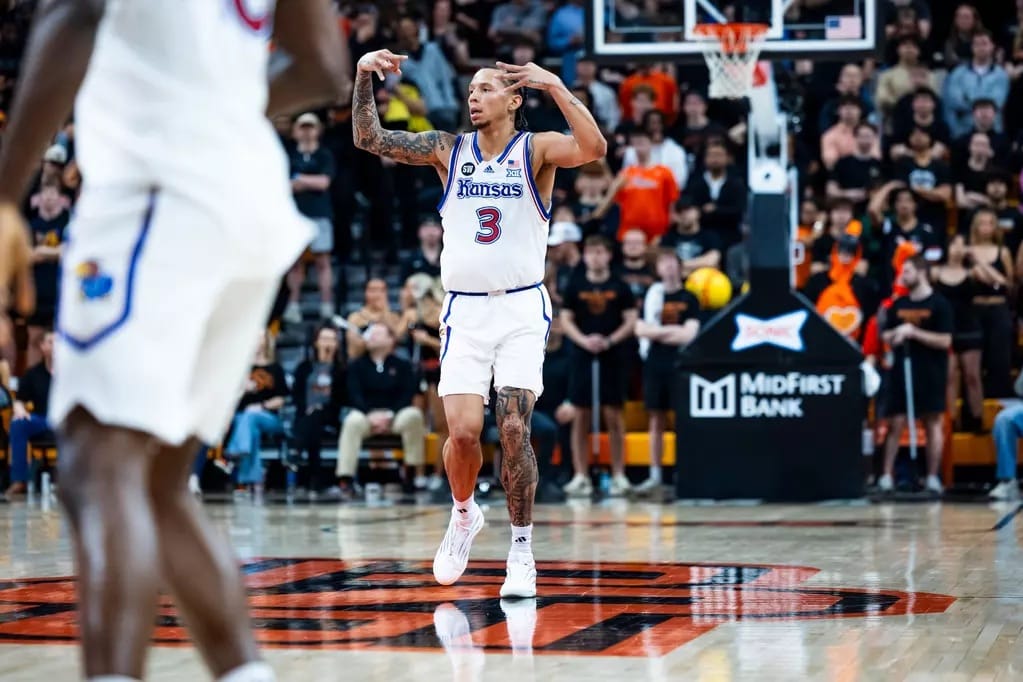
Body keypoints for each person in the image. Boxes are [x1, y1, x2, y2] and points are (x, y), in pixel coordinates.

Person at [0, 2, 350, 681]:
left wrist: (5, 197)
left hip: (161, 191)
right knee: (158, 483)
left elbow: (75, 10)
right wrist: (217, 103)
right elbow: (322, 68)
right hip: (248, 203)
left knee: (96, 464)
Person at [351, 50, 605, 598]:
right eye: (470, 89)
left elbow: (594, 148)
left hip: (518, 308)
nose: (473, 95)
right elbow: (369, 139)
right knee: (463, 433)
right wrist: (363, 76)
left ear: (515, 100)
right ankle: (464, 514)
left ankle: (521, 549)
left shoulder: (535, 150)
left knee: (514, 428)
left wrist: (556, 85)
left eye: (486, 88)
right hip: (463, 309)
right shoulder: (448, 148)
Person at [560, 235, 638, 497]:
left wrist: (609, 340)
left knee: (614, 415)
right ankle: (580, 475)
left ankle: (619, 475)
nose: (595, 256)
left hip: (612, 355)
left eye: (600, 252)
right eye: (591, 252)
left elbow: (630, 320)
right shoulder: (575, 284)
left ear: (608, 255)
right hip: (583, 355)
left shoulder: (620, 286)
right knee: (580, 415)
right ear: (584, 256)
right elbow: (566, 319)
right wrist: (584, 341)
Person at [878, 254, 953, 496]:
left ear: (921, 272)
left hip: (930, 372)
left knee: (933, 422)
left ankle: (932, 477)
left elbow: (945, 340)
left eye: (907, 271)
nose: (903, 276)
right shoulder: (898, 305)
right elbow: (885, 335)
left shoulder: (939, 304)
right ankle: (886, 475)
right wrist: (895, 334)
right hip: (902, 372)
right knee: (896, 422)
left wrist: (914, 332)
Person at [634, 250, 700, 495]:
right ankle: (655, 475)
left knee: (682, 419)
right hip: (655, 362)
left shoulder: (689, 297)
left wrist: (658, 331)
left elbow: (689, 334)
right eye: (664, 262)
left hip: (681, 363)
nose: (669, 266)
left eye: (673, 262)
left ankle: (684, 472)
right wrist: (669, 332)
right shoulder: (652, 296)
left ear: (680, 267)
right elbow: (640, 329)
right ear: (658, 268)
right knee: (656, 418)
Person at [5, 330, 55, 497]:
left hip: (66, 420)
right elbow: (19, 400)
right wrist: (19, 409)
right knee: (18, 423)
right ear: (42, 347)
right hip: (43, 420)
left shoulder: (72, 373)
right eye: (51, 342)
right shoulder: (33, 374)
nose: (56, 347)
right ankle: (19, 481)